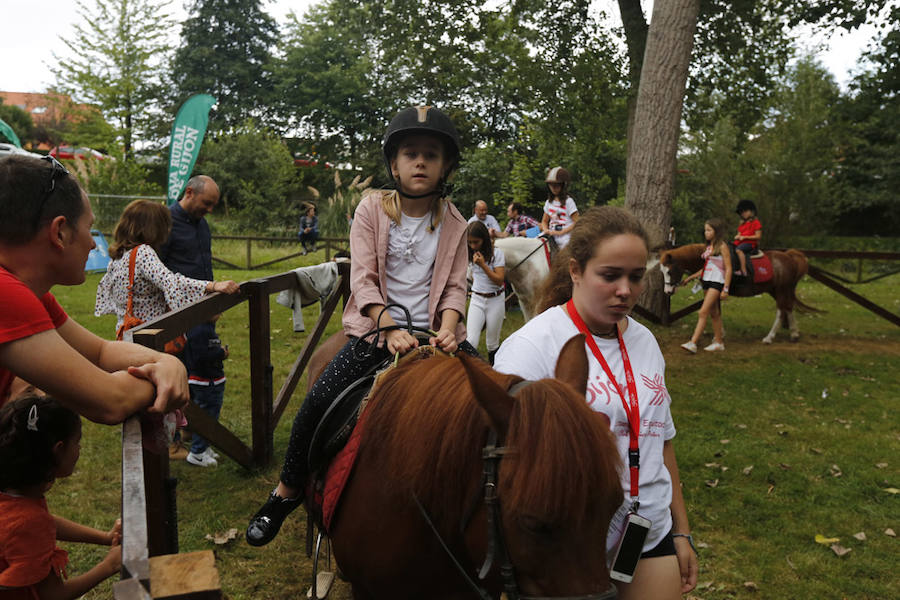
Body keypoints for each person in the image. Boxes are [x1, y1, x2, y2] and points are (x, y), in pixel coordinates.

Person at [246, 105, 480, 547]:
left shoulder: (454, 221)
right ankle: (286, 491)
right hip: (377, 334)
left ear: (445, 165)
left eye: (432, 154)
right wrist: (390, 329)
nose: (420, 162)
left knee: (491, 397)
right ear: (394, 163)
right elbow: (365, 279)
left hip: (435, 336)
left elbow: (453, 286)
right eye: (411, 153)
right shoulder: (371, 210)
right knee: (316, 403)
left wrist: (450, 327)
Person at [494, 206, 698, 600]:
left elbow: (660, 441)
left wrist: (680, 531)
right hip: (569, 544)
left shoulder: (645, 342)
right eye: (610, 276)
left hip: (647, 530)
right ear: (575, 271)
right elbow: (507, 469)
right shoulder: (531, 348)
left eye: (636, 277)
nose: (626, 290)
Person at [0, 155, 188, 423]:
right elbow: (111, 401)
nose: (92, 243)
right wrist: (163, 381)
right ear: (60, 232)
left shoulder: (32, 295)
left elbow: (100, 351)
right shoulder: (7, 295)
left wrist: (167, 363)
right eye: (89, 227)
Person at [0, 395, 122, 598]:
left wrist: (105, 538)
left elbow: (45, 523)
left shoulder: (14, 499)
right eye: (77, 442)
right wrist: (109, 566)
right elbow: (53, 596)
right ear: (58, 450)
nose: (79, 449)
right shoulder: (28, 521)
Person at [158, 175, 234, 460]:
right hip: (175, 314)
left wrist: (213, 303)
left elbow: (205, 265)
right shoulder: (166, 223)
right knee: (173, 373)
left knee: (198, 370)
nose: (210, 210)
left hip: (202, 311)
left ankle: (190, 427)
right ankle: (171, 441)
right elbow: (159, 271)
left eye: (213, 205)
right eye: (207, 203)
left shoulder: (202, 226)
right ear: (189, 192)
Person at [94, 199, 240, 335]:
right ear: (154, 227)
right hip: (149, 337)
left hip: (126, 334)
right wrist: (212, 286)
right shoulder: (143, 253)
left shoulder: (118, 258)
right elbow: (171, 282)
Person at [679, 218, 732, 353]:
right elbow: (706, 267)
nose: (706, 233)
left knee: (703, 312)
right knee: (714, 313)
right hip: (706, 281)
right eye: (705, 230)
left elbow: (728, 268)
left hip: (717, 282)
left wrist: (725, 288)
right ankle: (719, 342)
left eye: (709, 230)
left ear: (716, 231)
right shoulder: (709, 248)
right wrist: (690, 278)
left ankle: (693, 342)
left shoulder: (722, 247)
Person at [182, 318, 228, 467]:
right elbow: (201, 357)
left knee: (211, 414)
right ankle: (197, 452)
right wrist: (221, 353)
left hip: (209, 378)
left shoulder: (205, 327)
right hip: (206, 380)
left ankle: (204, 446)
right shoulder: (201, 330)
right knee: (207, 414)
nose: (220, 313)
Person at [466, 221, 506, 365]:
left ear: (484, 238)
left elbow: (499, 280)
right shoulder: (469, 252)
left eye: (476, 242)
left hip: (495, 300)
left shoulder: (497, 253)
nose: (472, 246)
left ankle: (494, 372)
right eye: (469, 242)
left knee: (492, 343)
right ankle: (470, 373)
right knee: (471, 341)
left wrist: (483, 265)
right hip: (477, 298)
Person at [540, 166, 579, 248]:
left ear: (563, 185)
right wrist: (546, 230)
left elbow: (577, 222)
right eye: (551, 185)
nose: (553, 188)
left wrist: (562, 232)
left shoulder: (569, 202)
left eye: (556, 185)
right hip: (551, 235)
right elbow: (544, 221)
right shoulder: (548, 202)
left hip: (566, 236)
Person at [732, 199, 761, 277]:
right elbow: (738, 234)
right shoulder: (742, 224)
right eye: (742, 212)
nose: (743, 213)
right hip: (740, 242)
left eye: (745, 211)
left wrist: (745, 237)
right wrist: (737, 236)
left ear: (751, 211)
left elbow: (758, 236)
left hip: (750, 244)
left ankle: (743, 270)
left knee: (738, 250)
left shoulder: (756, 223)